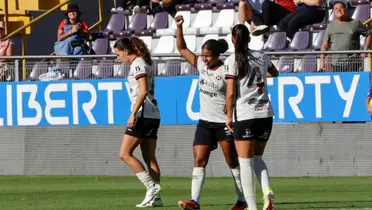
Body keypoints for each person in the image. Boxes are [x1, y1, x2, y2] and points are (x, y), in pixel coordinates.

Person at [174, 15, 247, 210]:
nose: (204, 59)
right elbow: (181, 48)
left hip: (224, 123)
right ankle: (194, 201)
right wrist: (179, 27)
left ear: (216, 55)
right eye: (203, 55)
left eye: (208, 56)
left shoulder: (226, 70)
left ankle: (243, 199)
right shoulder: (200, 65)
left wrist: (230, 107)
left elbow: (237, 91)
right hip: (205, 122)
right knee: (199, 159)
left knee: (232, 162)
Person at [224, 24, 279, 210]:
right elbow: (276, 73)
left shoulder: (231, 61)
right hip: (265, 114)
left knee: (245, 162)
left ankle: (253, 207)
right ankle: (267, 191)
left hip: (246, 114)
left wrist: (228, 116)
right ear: (248, 39)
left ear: (233, 39)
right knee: (257, 157)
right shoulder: (262, 56)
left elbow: (230, 94)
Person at [114, 37, 163, 208]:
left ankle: (151, 187)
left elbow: (142, 90)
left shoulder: (137, 64)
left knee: (124, 154)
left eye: (118, 54)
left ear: (126, 51)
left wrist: (132, 113)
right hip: (153, 114)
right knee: (150, 157)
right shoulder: (146, 63)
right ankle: (156, 198)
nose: (117, 58)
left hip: (142, 114)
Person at [320, 0, 371, 72]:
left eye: (341, 8)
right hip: (336, 64)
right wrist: (322, 61)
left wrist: (365, 50)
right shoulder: (330, 26)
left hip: (352, 63)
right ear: (334, 13)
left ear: (346, 10)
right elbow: (324, 44)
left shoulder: (355, 23)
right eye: (336, 9)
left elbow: (369, 34)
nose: (338, 10)